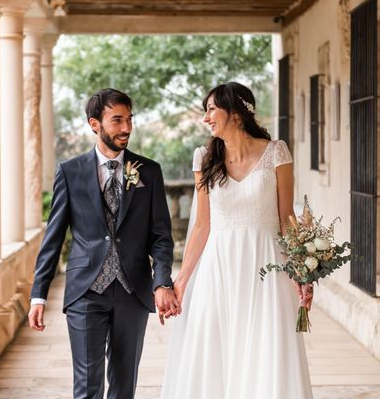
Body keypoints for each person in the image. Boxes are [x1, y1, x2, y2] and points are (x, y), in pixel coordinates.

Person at [161, 81, 313, 399]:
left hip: (268, 270)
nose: (206, 118)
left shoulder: (276, 153)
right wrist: (182, 280)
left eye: (211, 109)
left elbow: (287, 218)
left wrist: (303, 271)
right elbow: (202, 225)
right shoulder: (204, 158)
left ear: (236, 113)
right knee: (214, 351)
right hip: (218, 270)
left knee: (266, 349)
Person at [29, 88, 180, 399]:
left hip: (132, 290)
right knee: (87, 387)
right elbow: (54, 237)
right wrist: (38, 295)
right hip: (86, 291)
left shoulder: (148, 172)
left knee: (124, 387)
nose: (126, 128)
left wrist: (162, 281)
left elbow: (161, 235)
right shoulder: (70, 172)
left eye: (129, 120)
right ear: (94, 124)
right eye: (116, 121)